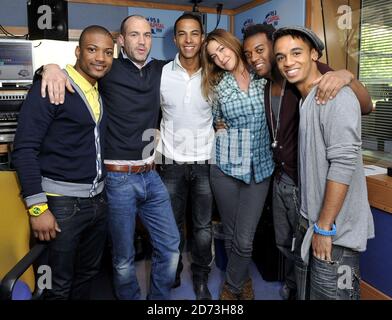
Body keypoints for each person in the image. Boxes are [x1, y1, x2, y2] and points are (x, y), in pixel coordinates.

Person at [39, 15, 180, 300]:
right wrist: (48, 67)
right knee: (123, 256)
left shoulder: (160, 70)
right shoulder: (108, 69)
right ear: (120, 40)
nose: (142, 41)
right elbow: (71, 72)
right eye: (134, 35)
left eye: (147, 35)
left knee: (171, 247)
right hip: (117, 179)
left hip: (150, 175)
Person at [242, 23, 373, 300]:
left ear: (315, 55)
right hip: (305, 209)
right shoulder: (304, 97)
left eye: (296, 53)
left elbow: (343, 162)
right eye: (281, 56)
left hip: (333, 229)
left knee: (332, 292)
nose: (288, 61)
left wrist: (325, 227)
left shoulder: (331, 91)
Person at [12, 25, 114, 299]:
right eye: (92, 50)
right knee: (56, 286)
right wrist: (37, 208)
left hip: (97, 202)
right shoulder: (52, 86)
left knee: (88, 274)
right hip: (60, 205)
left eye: (107, 52)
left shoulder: (96, 90)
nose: (100, 58)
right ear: (78, 51)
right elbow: (23, 149)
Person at [200, 29, 274, 300]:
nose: (219, 58)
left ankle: (230, 290)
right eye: (213, 55)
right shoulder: (217, 85)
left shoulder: (265, 76)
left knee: (244, 238)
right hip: (225, 168)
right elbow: (214, 120)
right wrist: (219, 129)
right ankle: (243, 282)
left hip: (260, 168)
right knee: (231, 236)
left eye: (222, 49)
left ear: (232, 44)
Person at [158, 13, 214, 300]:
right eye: (182, 33)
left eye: (194, 33)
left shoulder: (215, 73)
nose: (189, 39)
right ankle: (174, 269)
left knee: (203, 226)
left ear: (202, 38)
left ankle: (201, 276)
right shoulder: (162, 73)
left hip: (205, 161)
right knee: (172, 223)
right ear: (175, 38)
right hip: (170, 161)